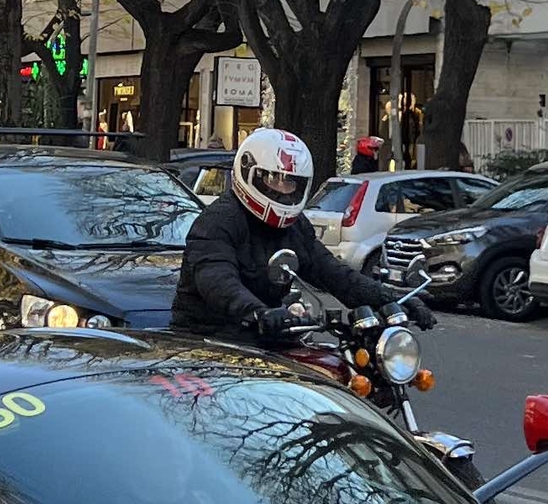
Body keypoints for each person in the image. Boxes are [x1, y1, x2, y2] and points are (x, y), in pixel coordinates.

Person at [172, 126, 405, 342]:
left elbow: (331, 272)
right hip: (209, 342)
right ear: (248, 173)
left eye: (291, 183)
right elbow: (218, 282)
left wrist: (387, 297)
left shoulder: (295, 227)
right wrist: (258, 313)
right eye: (274, 179)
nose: (283, 189)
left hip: (269, 337)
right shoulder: (217, 222)